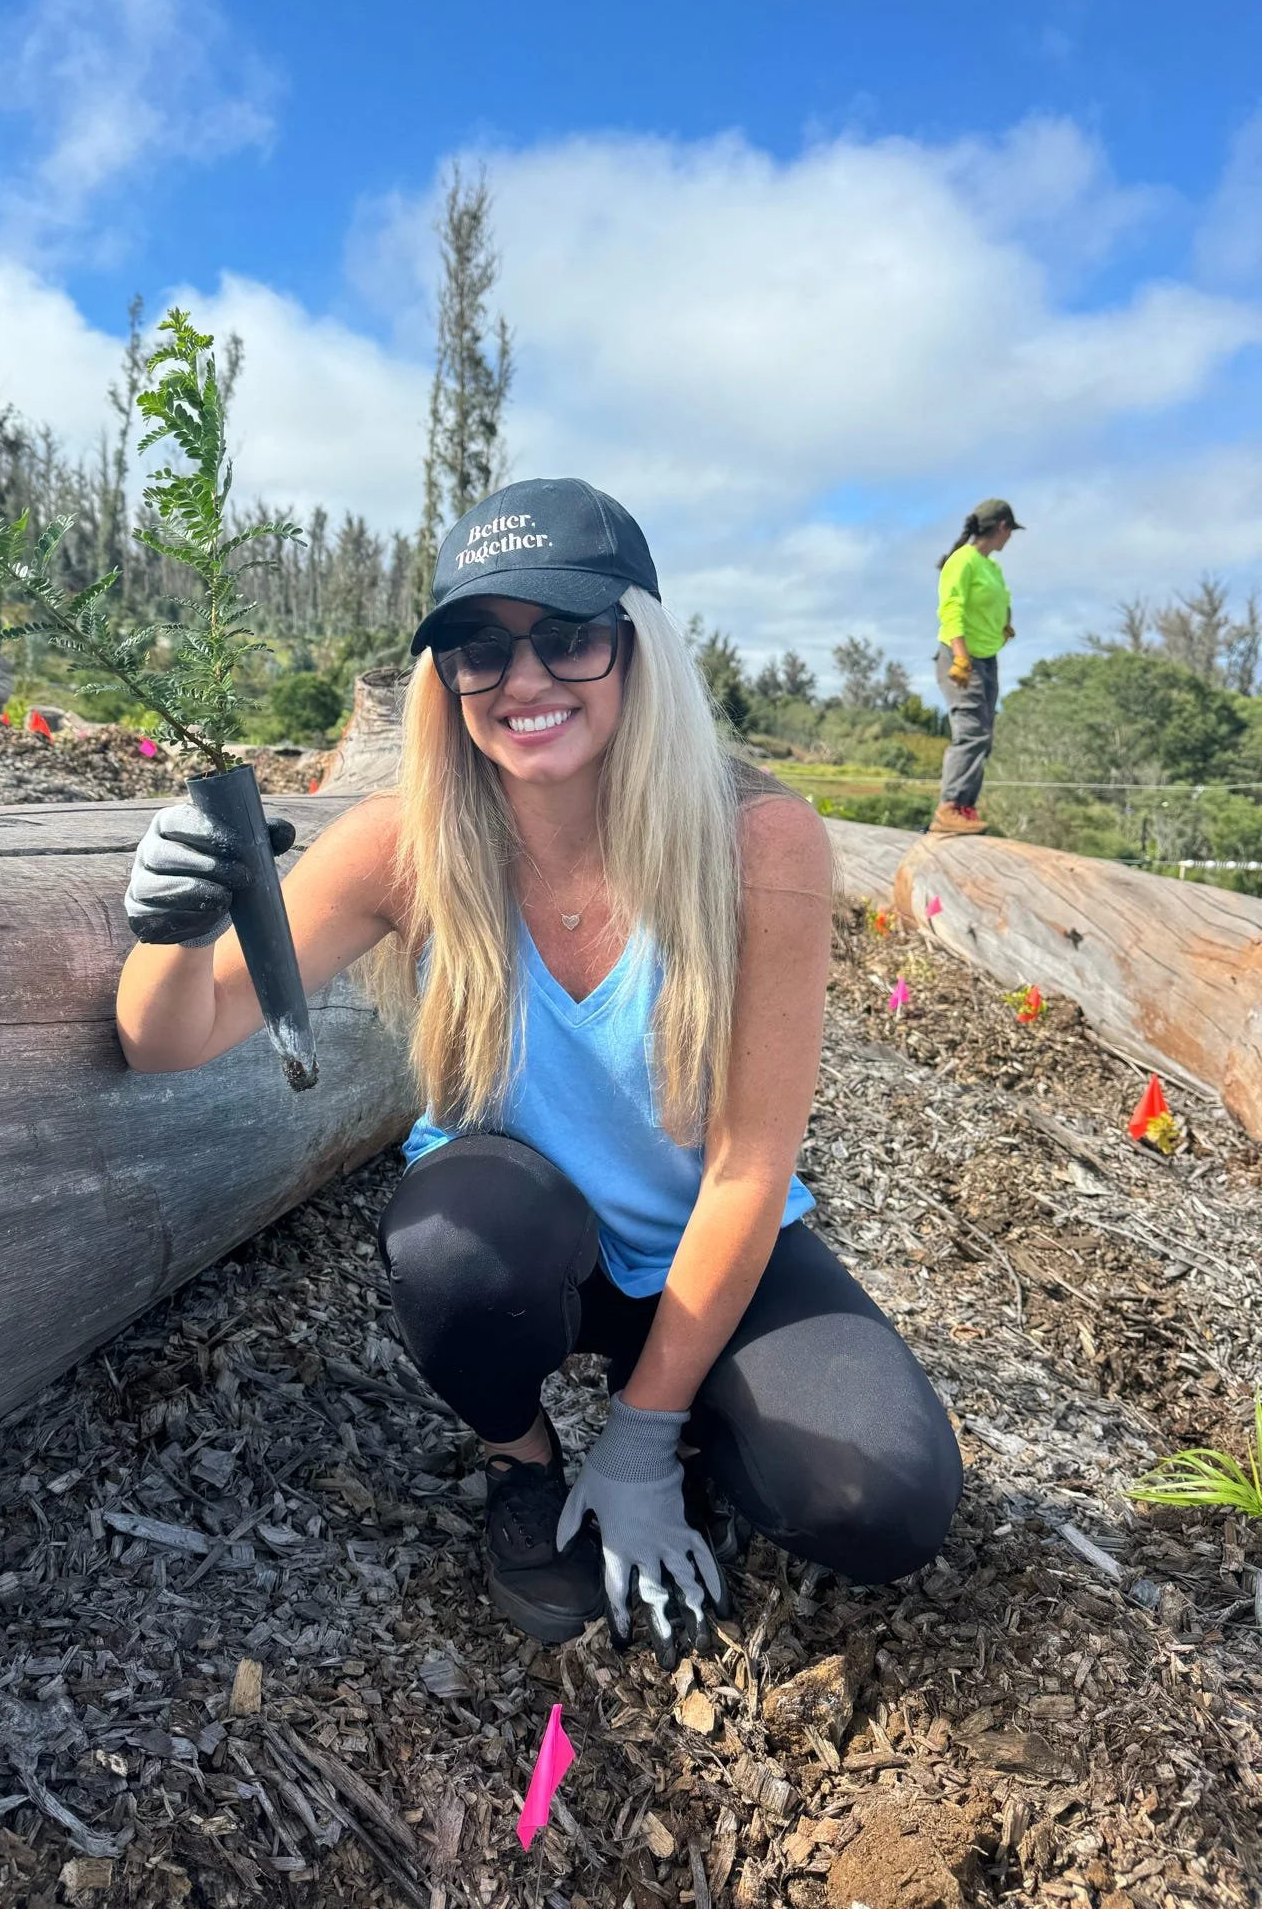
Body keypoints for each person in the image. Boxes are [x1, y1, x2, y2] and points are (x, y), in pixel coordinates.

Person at [116, 478, 963, 1669]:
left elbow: (751, 1167)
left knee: (884, 1501)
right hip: (523, 1237)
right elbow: (174, 1036)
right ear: (444, 678)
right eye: (478, 647)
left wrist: (645, 1432)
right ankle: (521, 1459)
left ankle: (681, 1422)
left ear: (639, 647)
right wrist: (171, 920)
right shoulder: (407, 841)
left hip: (704, 1233)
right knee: (453, 1247)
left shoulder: (757, 843)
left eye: (567, 636)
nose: (524, 680)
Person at [930, 497, 1022, 835]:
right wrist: (961, 656)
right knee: (970, 733)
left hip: (986, 659)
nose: (1011, 537)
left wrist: (1004, 624)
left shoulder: (991, 566)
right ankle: (949, 807)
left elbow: (1001, 601)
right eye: (1011, 530)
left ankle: (965, 808)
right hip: (961, 658)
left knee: (984, 735)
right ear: (1002, 527)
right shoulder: (963, 561)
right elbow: (951, 608)